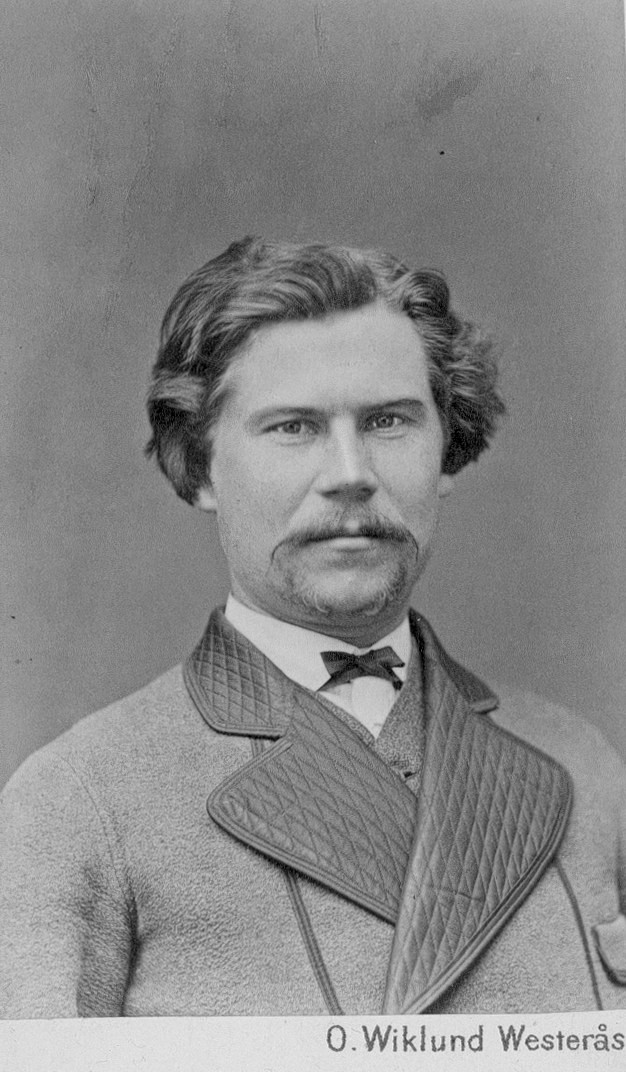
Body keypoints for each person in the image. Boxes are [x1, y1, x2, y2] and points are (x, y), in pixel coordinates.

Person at [2, 237, 626, 1018]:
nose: (351, 474)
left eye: (389, 421)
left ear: (448, 449)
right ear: (198, 465)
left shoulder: (584, 767)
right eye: (294, 427)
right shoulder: (79, 800)